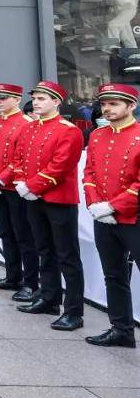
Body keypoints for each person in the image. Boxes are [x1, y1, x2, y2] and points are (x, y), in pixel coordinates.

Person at [12, 80, 85, 330]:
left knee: (67, 256)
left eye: (42, 98)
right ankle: (49, 298)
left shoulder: (69, 130)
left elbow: (60, 166)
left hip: (58, 199)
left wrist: (32, 186)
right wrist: (21, 182)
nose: (36, 102)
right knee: (44, 250)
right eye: (35, 98)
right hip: (34, 198)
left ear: (56, 102)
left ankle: (73, 311)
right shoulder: (29, 128)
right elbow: (19, 158)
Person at [84, 84, 140, 347]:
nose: (107, 109)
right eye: (104, 103)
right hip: (103, 217)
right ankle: (121, 330)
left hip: (134, 217)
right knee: (114, 275)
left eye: (114, 103)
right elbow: (89, 173)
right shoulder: (97, 135)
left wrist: (113, 206)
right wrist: (96, 204)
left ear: (132, 106)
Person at [0, 83, 39, 302]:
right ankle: (12, 276)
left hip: (14, 187)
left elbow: (20, 159)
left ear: (17, 99)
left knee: (24, 235)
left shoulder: (26, 123)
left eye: (4, 98)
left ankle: (31, 283)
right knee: (5, 232)